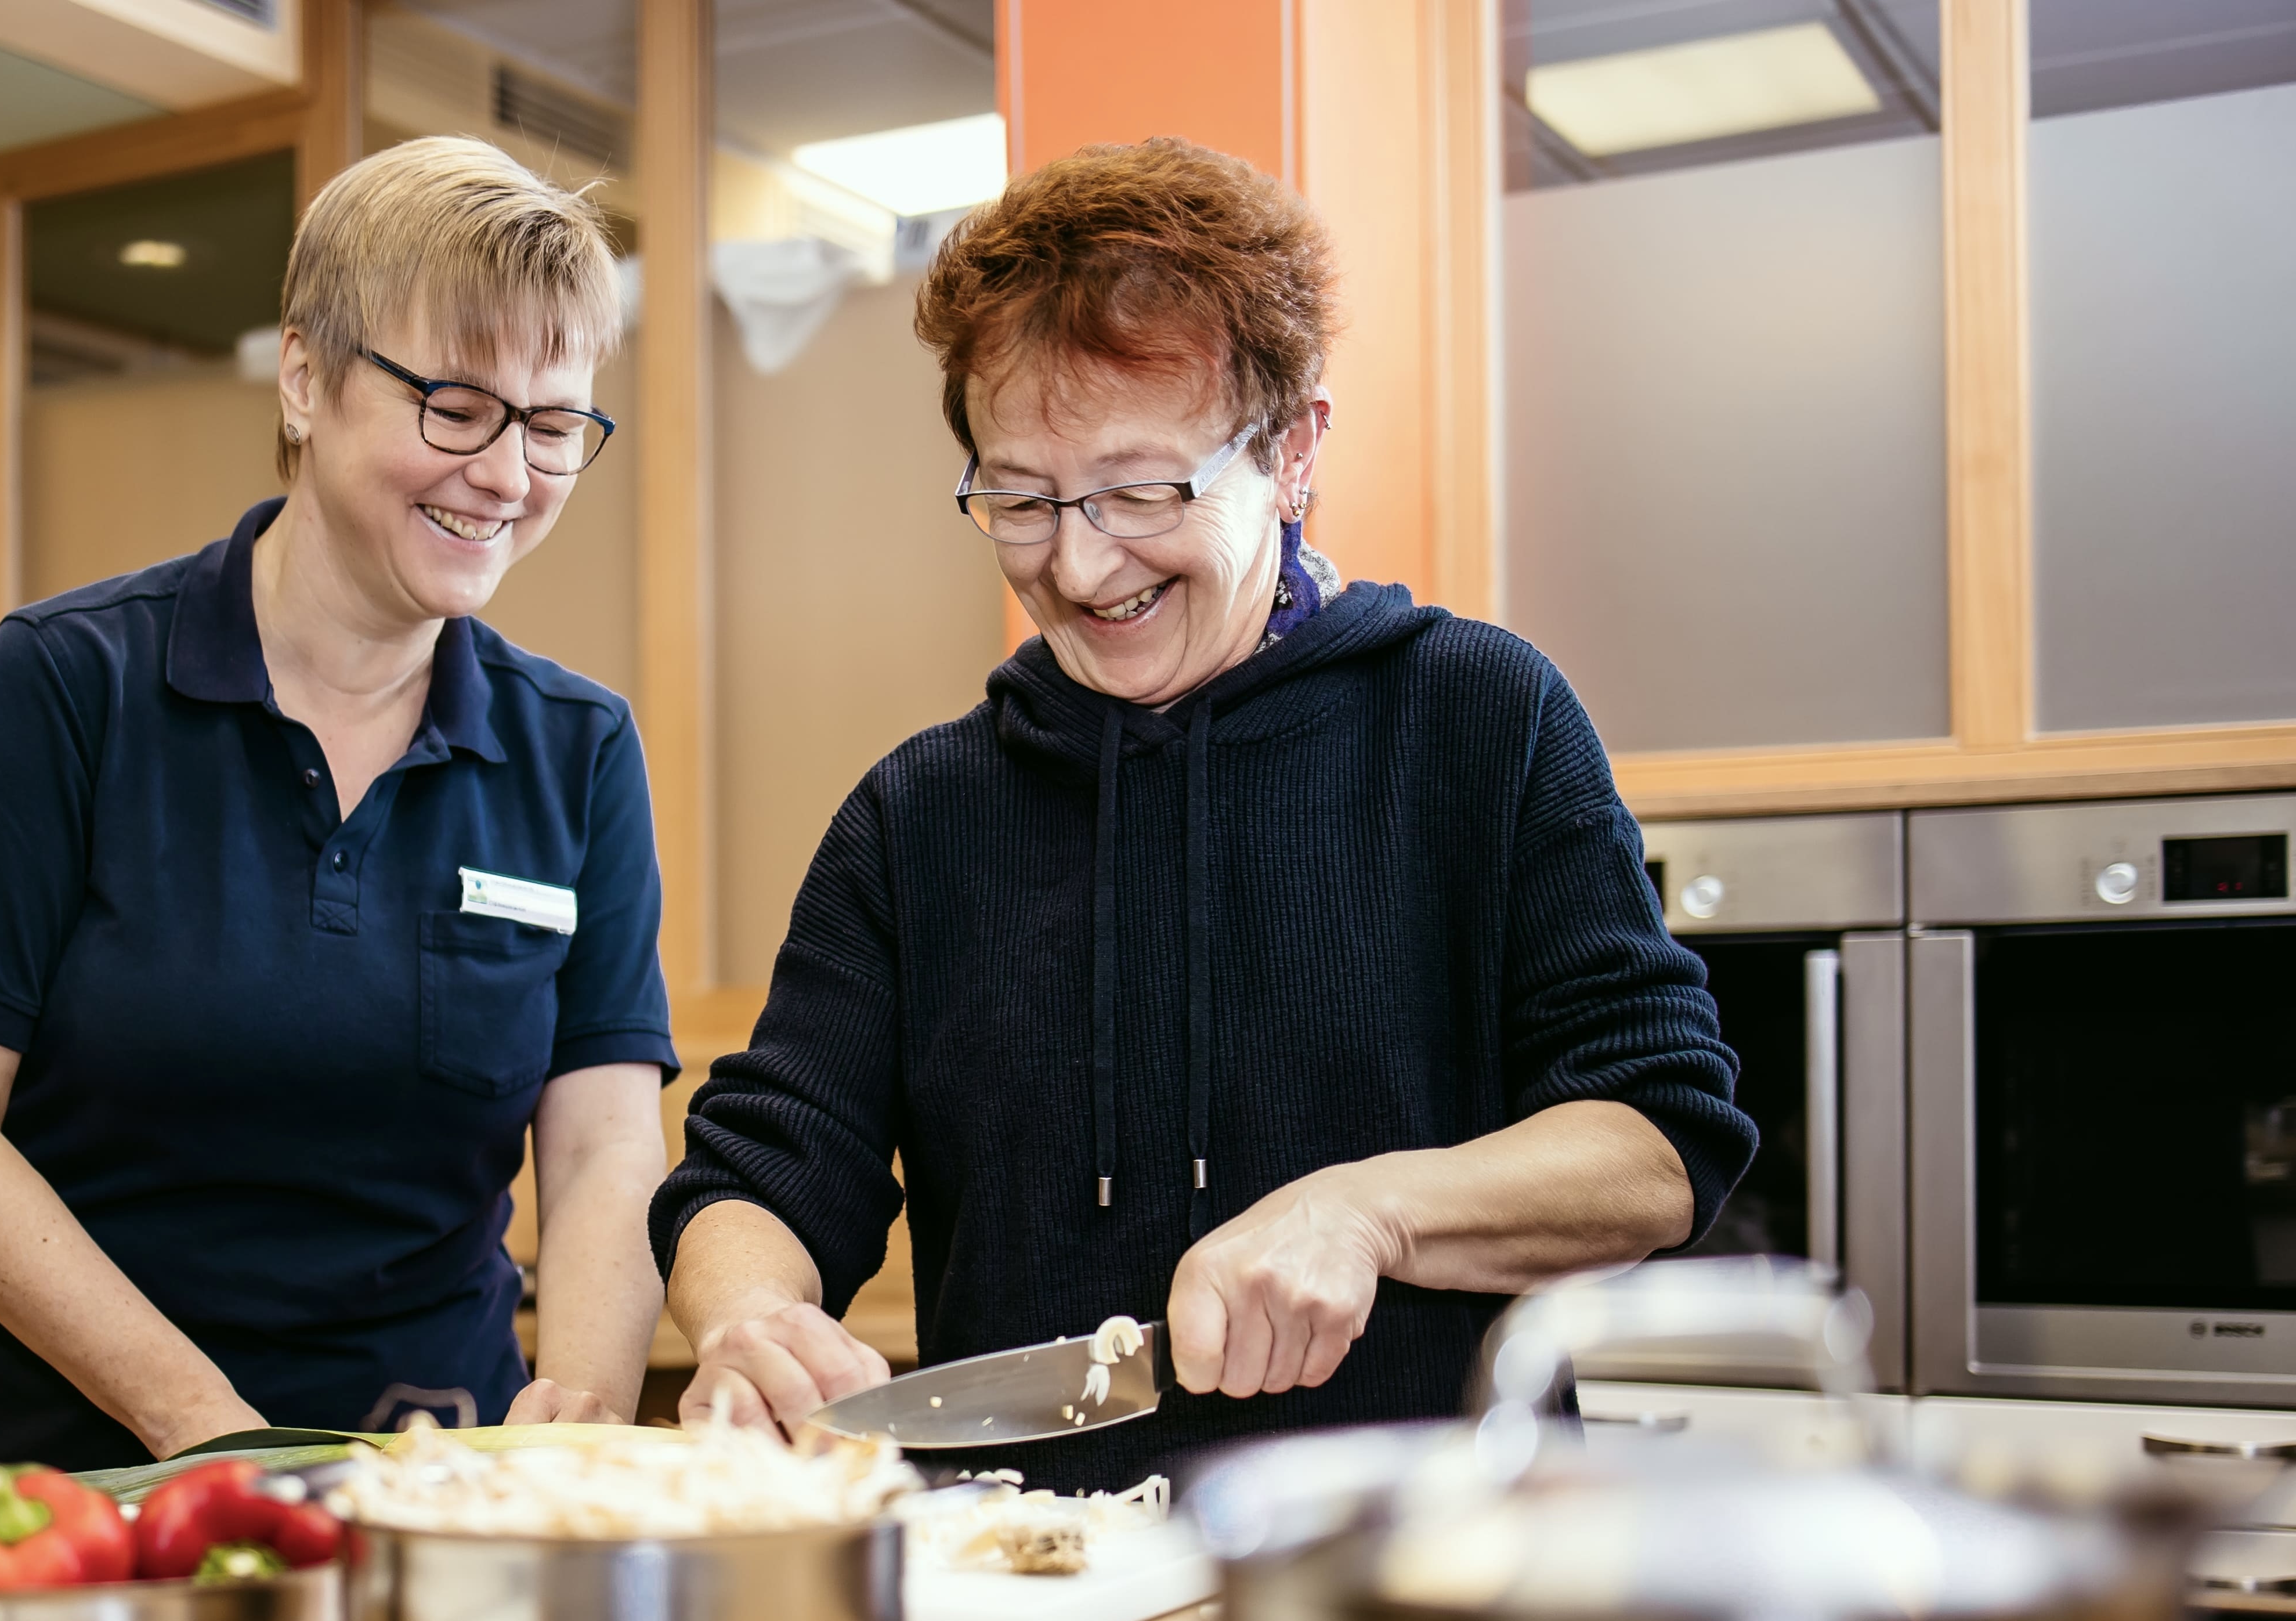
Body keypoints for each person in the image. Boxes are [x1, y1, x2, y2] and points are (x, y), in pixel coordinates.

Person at [649, 138, 1758, 1490]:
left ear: (1292, 450)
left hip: (1414, 1562)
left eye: (1139, 490)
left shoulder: (1479, 716)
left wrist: (1373, 1212)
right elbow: (761, 1170)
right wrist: (750, 1312)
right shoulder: (918, 814)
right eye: (1020, 499)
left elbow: (1656, 1134)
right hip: (1033, 1573)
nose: (1076, 560)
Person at [0, 137, 676, 1474]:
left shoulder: (574, 747)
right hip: (95, 1484)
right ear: (305, 376)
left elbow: (600, 1146)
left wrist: (573, 1426)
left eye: (550, 425)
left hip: (437, 1479)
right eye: (457, 406)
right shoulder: (71, 687)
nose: (509, 476)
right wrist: (209, 1431)